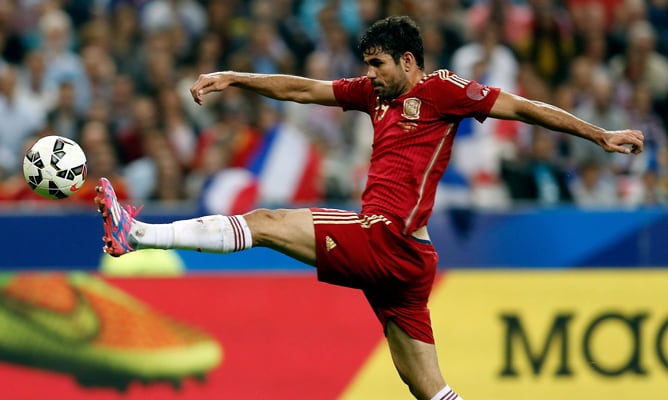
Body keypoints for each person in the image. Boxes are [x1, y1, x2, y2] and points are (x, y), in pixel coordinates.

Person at [94, 16, 644, 400]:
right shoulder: (374, 94)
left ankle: (137, 234)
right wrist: (237, 78)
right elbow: (303, 91)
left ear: (408, 60)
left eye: (379, 64)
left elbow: (522, 108)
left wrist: (599, 136)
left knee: (265, 223)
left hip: (389, 238)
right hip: (409, 264)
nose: (372, 75)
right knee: (429, 389)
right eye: (368, 66)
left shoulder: (444, 92)